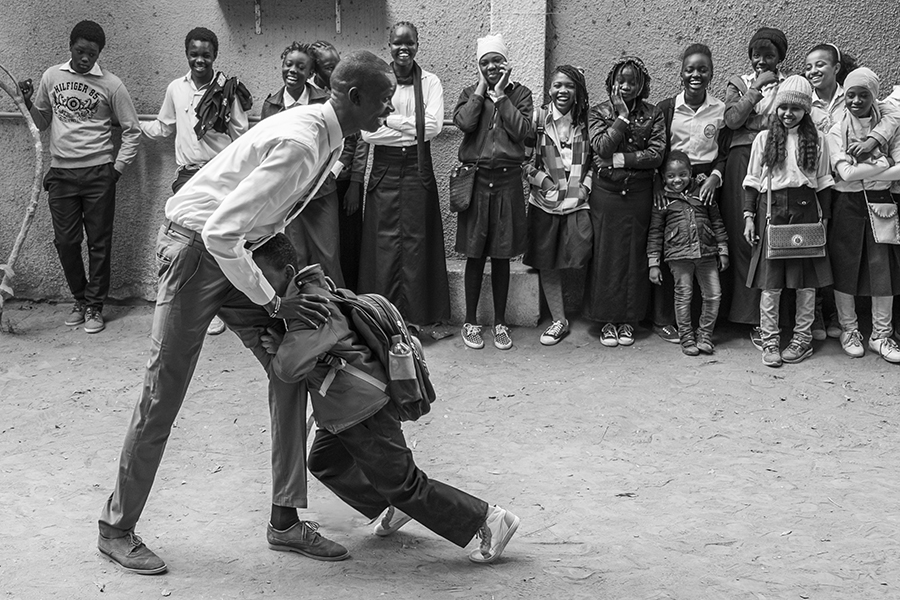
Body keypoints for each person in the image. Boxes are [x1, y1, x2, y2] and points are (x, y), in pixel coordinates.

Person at [96, 51, 396, 575]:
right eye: (384, 99)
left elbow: (262, 220)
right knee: (163, 393)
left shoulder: (329, 135)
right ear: (353, 97)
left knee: (291, 364)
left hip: (237, 254)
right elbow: (219, 233)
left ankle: (284, 520)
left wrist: (288, 272)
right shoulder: (305, 143)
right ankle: (115, 528)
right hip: (195, 254)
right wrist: (275, 300)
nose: (389, 110)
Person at [253, 233, 520, 564]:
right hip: (341, 408)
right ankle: (390, 506)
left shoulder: (311, 310)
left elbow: (287, 369)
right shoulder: (312, 292)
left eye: (262, 276)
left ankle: (488, 520)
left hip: (361, 410)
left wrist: (279, 347)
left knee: (405, 483)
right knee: (325, 462)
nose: (257, 285)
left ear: (288, 272)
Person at [18, 20, 141, 334]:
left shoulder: (112, 84)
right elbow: (42, 122)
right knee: (66, 242)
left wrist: (116, 170)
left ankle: (95, 307)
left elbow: (132, 130)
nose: (85, 58)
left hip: (99, 174)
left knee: (99, 244)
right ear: (70, 46)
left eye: (92, 53)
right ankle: (81, 299)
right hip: (61, 175)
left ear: (100, 53)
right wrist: (28, 102)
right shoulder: (51, 77)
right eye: (80, 51)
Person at [142, 26, 250, 337]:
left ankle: (216, 308)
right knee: (185, 243)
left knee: (216, 240)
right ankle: (188, 302)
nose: (199, 59)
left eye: (205, 54)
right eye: (194, 54)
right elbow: (164, 126)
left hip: (219, 175)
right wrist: (130, 124)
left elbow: (241, 136)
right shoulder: (176, 88)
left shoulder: (227, 90)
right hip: (187, 176)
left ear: (215, 56)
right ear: (187, 54)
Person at [359, 22, 450, 325]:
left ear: (417, 45)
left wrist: (390, 120)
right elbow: (368, 132)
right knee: (382, 247)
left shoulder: (431, 82)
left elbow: (434, 127)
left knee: (416, 245)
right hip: (384, 171)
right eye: (398, 43)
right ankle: (381, 318)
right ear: (389, 44)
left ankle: (416, 318)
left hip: (417, 168)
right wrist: (412, 127)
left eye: (409, 43)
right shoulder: (375, 80)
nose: (403, 49)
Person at [742, 75, 834, 367]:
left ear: (806, 110)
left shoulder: (817, 139)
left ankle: (801, 339)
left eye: (796, 108)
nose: (788, 113)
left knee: (805, 284)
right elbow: (753, 181)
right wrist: (748, 217)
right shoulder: (764, 139)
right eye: (783, 107)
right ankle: (769, 339)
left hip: (806, 210)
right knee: (771, 284)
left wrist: (825, 221)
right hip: (772, 209)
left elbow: (823, 183)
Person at [453, 33, 533, 350]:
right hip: (476, 179)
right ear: (478, 66)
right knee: (475, 254)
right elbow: (465, 123)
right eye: (485, 62)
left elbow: (524, 132)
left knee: (502, 255)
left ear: (507, 63)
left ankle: (500, 322)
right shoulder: (469, 94)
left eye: (497, 61)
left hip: (507, 181)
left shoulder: (521, 95)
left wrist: (501, 97)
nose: (491, 67)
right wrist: (481, 92)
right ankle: (470, 322)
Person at [651, 43, 730, 345]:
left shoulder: (720, 109)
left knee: (704, 247)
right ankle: (665, 320)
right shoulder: (667, 108)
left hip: (705, 185)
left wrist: (715, 177)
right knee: (672, 247)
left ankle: (704, 325)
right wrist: (659, 184)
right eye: (690, 69)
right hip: (672, 182)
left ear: (711, 73)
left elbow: (723, 153)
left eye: (703, 69)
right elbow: (658, 151)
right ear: (681, 73)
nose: (696, 74)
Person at [584, 56, 665, 348]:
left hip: (639, 196)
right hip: (605, 196)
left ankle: (630, 320)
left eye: (633, 81)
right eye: (622, 80)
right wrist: (620, 116)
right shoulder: (597, 113)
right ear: (612, 82)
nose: (627, 86)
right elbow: (600, 147)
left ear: (642, 84)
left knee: (635, 257)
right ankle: (606, 320)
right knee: (606, 257)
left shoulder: (654, 114)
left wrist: (620, 159)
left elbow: (656, 154)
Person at [826, 67, 900, 363]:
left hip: (882, 202)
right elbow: (843, 173)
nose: (856, 101)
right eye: (851, 95)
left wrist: (871, 157)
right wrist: (884, 164)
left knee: (883, 269)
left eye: (864, 95)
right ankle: (849, 329)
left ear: (874, 96)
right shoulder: (836, 129)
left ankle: (881, 334)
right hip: (848, 203)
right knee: (846, 265)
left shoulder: (890, 124)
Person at [721, 27, 788, 343]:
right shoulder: (739, 83)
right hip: (740, 163)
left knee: (767, 236)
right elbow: (733, 120)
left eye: (769, 56)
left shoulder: (790, 86)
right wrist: (757, 90)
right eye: (756, 55)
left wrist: (754, 120)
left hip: (774, 162)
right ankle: (743, 316)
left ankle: (767, 318)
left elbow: (785, 123)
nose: (762, 61)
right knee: (742, 235)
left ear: (780, 58)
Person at [260, 41, 345, 287]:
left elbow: (343, 141)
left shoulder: (324, 102)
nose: (293, 71)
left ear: (311, 73)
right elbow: (266, 149)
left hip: (321, 193)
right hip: (288, 196)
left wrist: (330, 173)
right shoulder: (272, 105)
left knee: (328, 255)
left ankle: (338, 314)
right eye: (289, 64)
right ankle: (302, 315)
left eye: (301, 66)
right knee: (296, 256)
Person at [523, 65, 593, 346]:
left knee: (585, 251)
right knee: (548, 262)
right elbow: (523, 160)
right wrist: (544, 182)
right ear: (549, 89)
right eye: (557, 85)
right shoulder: (537, 119)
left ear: (578, 91)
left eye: (569, 86)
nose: (562, 91)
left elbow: (597, 162)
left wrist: (586, 187)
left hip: (578, 202)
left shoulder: (588, 120)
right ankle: (559, 320)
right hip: (545, 202)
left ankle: (594, 314)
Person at [647, 151, 729, 356]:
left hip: (707, 254)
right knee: (683, 296)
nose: (677, 180)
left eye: (682, 174)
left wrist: (723, 249)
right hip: (679, 256)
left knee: (713, 295)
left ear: (691, 173)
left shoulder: (703, 192)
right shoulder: (662, 200)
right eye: (671, 176)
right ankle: (686, 338)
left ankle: (705, 335)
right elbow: (655, 232)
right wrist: (653, 263)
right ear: (663, 178)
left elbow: (717, 221)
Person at [310, 40, 369, 291]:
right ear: (314, 71)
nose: (336, 72)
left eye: (338, 64)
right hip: (318, 188)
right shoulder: (312, 100)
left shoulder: (347, 93)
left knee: (348, 246)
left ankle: (352, 298)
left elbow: (359, 141)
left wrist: (355, 182)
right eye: (328, 67)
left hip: (345, 184)